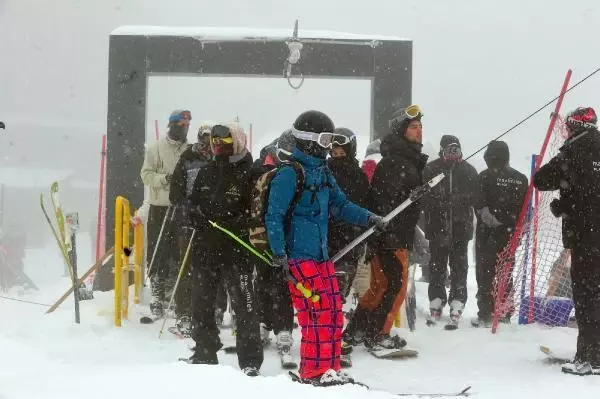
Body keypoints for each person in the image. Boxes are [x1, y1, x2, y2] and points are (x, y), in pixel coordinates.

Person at [265, 110, 385, 386]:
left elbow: (340, 205)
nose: (329, 145)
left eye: (331, 139)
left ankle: (330, 368)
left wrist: (368, 217)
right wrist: (279, 253)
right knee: (316, 314)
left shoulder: (323, 172)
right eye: (325, 138)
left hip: (321, 256)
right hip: (297, 257)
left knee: (332, 312)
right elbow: (274, 215)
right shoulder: (288, 174)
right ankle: (313, 371)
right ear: (308, 139)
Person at [343, 105, 427, 353]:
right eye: (413, 127)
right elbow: (383, 201)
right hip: (391, 235)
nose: (419, 131)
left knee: (380, 285)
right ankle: (378, 335)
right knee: (395, 285)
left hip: (391, 235)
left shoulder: (405, 159)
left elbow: (398, 198)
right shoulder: (397, 162)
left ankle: (358, 330)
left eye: (421, 127)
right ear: (402, 131)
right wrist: (389, 233)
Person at [187, 122, 263, 376]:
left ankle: (250, 360)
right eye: (215, 139)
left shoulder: (250, 172)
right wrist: (194, 215)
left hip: (236, 251)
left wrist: (237, 222)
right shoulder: (207, 172)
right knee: (202, 304)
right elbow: (193, 202)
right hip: (205, 249)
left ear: (237, 140)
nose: (218, 143)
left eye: (224, 138)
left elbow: (257, 212)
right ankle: (204, 351)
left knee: (244, 305)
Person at [533, 106, 600, 376]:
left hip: (585, 237)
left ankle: (590, 358)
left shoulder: (571, 153)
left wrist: (565, 204)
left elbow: (540, 180)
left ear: (573, 128)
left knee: (586, 297)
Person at [250, 129, 297, 363]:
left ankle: (284, 328)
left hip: (285, 236)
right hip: (262, 236)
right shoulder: (265, 169)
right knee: (263, 280)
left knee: (281, 284)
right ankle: (264, 322)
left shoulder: (294, 172)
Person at [422, 135, 478, 328]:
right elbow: (424, 198)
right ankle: (436, 301)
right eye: (449, 149)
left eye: (457, 149)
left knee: (459, 268)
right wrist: (439, 203)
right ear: (442, 150)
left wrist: (460, 199)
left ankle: (457, 302)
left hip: (461, 231)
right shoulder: (431, 169)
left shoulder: (469, 171)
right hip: (437, 229)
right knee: (437, 267)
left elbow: (476, 198)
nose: (453, 153)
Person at [140, 109, 190, 317]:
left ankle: (174, 290)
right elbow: (145, 174)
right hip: (160, 206)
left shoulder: (190, 149)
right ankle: (157, 292)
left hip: (182, 208)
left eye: (186, 126)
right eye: (180, 125)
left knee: (179, 251)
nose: (184, 129)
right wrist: (164, 179)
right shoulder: (155, 149)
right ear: (171, 125)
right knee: (158, 249)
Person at [472, 140, 528, 327]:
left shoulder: (484, 176)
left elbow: (479, 205)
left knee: (485, 273)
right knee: (505, 272)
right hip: (511, 234)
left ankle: (486, 314)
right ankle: (504, 311)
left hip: (487, 234)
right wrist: (516, 230)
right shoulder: (520, 179)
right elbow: (525, 210)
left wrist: (494, 222)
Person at [168, 122, 214, 335]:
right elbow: (175, 191)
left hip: (212, 223)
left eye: (211, 137)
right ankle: (184, 313)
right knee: (186, 267)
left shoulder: (218, 158)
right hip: (188, 220)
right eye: (204, 137)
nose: (207, 141)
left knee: (209, 269)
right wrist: (187, 205)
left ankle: (208, 312)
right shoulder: (188, 157)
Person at [326, 127, 370, 302]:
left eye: (341, 153)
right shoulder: (325, 172)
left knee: (350, 281)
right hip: (327, 239)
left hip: (351, 239)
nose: (338, 157)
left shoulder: (358, 176)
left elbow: (363, 203)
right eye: (334, 153)